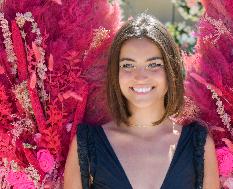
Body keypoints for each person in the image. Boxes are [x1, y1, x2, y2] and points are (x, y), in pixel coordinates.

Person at [64, 13, 220, 189]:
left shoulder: (198, 145)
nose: (140, 77)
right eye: (128, 65)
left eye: (153, 64)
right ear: (116, 74)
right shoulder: (87, 144)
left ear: (172, 71)